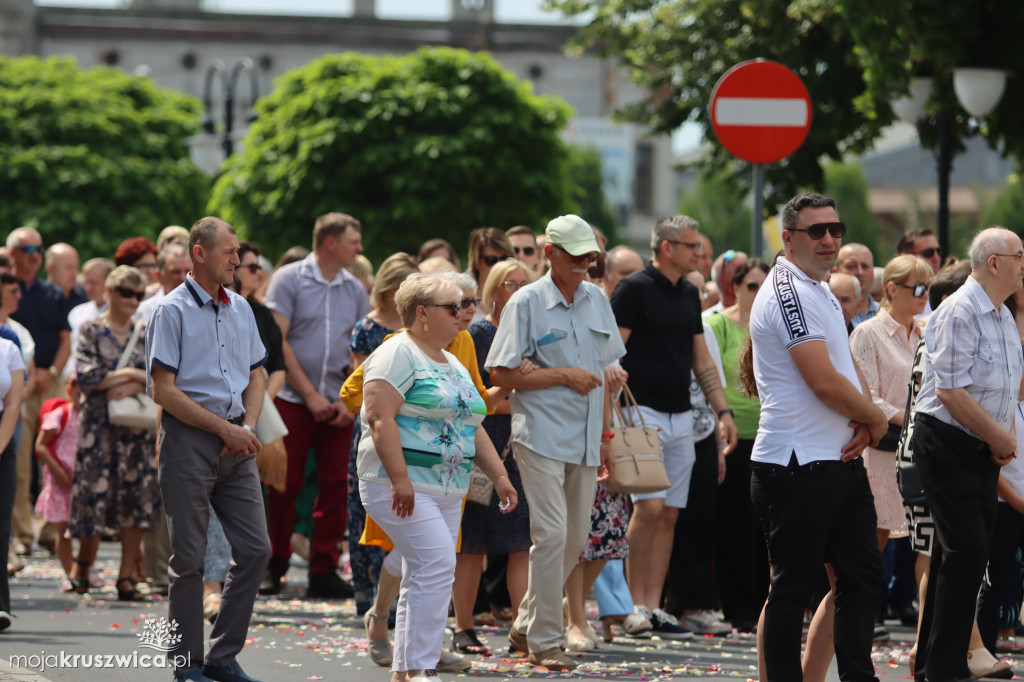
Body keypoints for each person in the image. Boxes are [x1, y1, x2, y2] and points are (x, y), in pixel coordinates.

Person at [748, 192, 887, 682]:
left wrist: (868, 421)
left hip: (836, 461)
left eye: (835, 229)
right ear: (788, 238)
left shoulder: (821, 287)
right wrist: (879, 420)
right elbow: (822, 381)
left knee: (861, 577)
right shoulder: (789, 291)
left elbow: (846, 367)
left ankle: (857, 676)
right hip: (795, 463)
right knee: (792, 590)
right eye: (816, 231)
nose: (829, 239)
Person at [358, 273, 517, 682]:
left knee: (426, 570)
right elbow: (378, 417)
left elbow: (472, 425)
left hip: (446, 488)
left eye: (467, 304)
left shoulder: (451, 360)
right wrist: (399, 479)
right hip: (399, 484)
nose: (466, 312)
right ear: (423, 314)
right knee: (437, 564)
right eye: (455, 306)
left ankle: (408, 670)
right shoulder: (398, 352)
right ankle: (419, 667)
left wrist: (499, 476)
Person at [486, 214, 626, 671]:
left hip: (586, 438)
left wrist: (606, 436)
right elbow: (501, 375)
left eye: (591, 255)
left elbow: (605, 378)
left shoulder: (597, 299)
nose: (587, 262)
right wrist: (561, 376)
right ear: (551, 254)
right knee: (551, 535)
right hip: (540, 435)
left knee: (572, 538)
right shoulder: (525, 301)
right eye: (577, 254)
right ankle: (546, 639)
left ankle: (526, 622)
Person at [147, 217, 270, 682]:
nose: (238, 260)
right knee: (189, 561)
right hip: (189, 441)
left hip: (237, 441)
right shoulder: (171, 310)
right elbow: (164, 390)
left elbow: (256, 373)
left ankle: (221, 657)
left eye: (238, 252)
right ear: (200, 254)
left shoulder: (240, 307)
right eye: (230, 252)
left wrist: (248, 426)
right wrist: (226, 429)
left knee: (256, 549)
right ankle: (187, 665)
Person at [612, 215, 738, 638]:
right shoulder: (633, 289)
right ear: (667, 247)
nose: (698, 252)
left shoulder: (689, 292)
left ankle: (654, 606)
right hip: (639, 411)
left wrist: (724, 412)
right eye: (691, 246)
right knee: (647, 508)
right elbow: (613, 355)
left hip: (682, 414)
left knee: (668, 513)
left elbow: (701, 358)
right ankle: (631, 606)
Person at [911, 227, 1024, 682]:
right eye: (1019, 256)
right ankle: (945, 667)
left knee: (954, 555)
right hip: (947, 441)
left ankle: (932, 664)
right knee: (967, 551)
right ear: (993, 262)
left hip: (979, 446)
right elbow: (951, 391)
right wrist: (999, 437)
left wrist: (1001, 438)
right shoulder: (961, 309)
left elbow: (1006, 388)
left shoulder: (1001, 314)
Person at [264, 212, 369, 599]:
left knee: (335, 485)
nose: (359, 248)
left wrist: (348, 400)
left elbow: (360, 351)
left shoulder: (355, 288)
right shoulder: (288, 279)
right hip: (294, 398)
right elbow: (279, 341)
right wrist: (309, 394)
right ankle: (274, 561)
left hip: (338, 404)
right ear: (330, 242)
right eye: (353, 240)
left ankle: (323, 568)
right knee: (284, 484)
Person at [453, 258, 537, 654]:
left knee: (521, 542)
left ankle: (522, 629)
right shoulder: (480, 333)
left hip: (524, 447)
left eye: (524, 282)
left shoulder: (534, 334)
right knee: (474, 544)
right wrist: (517, 391)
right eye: (509, 283)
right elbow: (476, 402)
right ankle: (464, 627)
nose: (517, 289)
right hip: (484, 445)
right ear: (493, 289)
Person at [202, 240, 287, 623]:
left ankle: (236, 595)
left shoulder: (258, 314)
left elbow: (269, 369)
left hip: (250, 420)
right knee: (211, 514)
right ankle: (211, 591)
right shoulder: (196, 308)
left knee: (254, 529)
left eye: (254, 266)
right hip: (205, 424)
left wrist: (253, 415)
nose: (249, 270)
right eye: (245, 264)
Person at [849, 255, 931, 638]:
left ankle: (927, 628)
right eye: (917, 287)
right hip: (880, 456)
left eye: (927, 288)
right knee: (871, 547)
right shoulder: (867, 334)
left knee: (925, 547)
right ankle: (856, 620)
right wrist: (916, 415)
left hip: (918, 455)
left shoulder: (926, 331)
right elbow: (867, 398)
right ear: (892, 290)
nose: (924, 295)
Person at [68, 266, 160, 600]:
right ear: (109, 291)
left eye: (139, 294)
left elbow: (158, 376)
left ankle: (126, 577)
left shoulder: (147, 330)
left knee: (136, 497)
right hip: (99, 427)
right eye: (125, 292)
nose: (132, 300)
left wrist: (129, 376)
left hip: (137, 428)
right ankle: (83, 566)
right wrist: (130, 374)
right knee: (93, 493)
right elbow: (88, 376)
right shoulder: (91, 328)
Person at [346, 252, 420, 614]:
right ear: (391, 290)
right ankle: (373, 599)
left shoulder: (421, 330)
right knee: (369, 518)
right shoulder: (367, 328)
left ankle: (403, 600)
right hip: (377, 429)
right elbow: (361, 387)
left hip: (416, 433)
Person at [706, 258, 771, 634]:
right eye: (751, 286)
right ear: (735, 288)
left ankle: (766, 607)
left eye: (765, 286)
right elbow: (708, 378)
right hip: (732, 440)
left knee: (766, 529)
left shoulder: (776, 326)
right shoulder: (717, 325)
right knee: (734, 527)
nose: (759, 293)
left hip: (773, 437)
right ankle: (737, 607)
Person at [8, 227, 70, 556]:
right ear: (13, 253)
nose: (35, 254)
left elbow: (65, 339)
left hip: (53, 382)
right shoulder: (8, 290)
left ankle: (49, 530)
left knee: (57, 456)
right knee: (18, 459)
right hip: (19, 383)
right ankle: (22, 534)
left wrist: (54, 373)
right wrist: (31, 377)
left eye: (39, 249)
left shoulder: (52, 293)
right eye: (27, 248)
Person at [33, 376, 81, 588]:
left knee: (85, 530)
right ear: (70, 391)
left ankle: (81, 568)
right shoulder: (59, 415)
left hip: (82, 482)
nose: (84, 399)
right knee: (64, 529)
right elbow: (41, 446)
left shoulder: (92, 416)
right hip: (62, 482)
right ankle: (69, 571)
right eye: (80, 394)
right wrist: (58, 471)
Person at [0, 329, 26, 632]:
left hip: (3, 442)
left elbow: (13, 403)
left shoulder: (9, 347)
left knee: (1, 523)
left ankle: (1, 604)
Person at [67, 258, 114, 377]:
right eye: (86, 283)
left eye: (93, 283)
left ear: (109, 283)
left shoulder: (123, 314)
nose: (87, 288)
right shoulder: (76, 313)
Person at [136, 244, 190, 322]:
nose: (183, 278)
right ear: (159, 276)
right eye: (175, 272)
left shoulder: (203, 309)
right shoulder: (143, 312)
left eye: (188, 271)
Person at [834, 243, 877, 326]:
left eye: (865, 267)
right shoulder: (826, 311)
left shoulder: (887, 313)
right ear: (835, 272)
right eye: (851, 266)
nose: (860, 272)